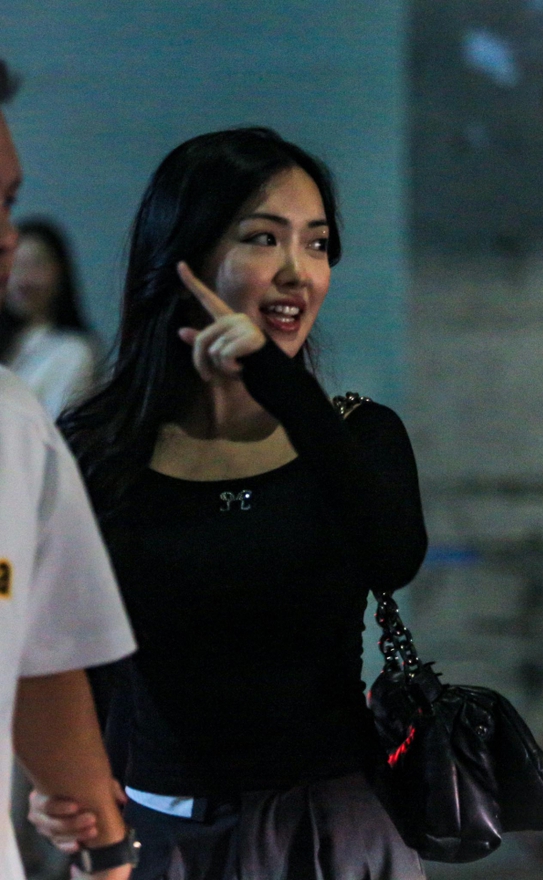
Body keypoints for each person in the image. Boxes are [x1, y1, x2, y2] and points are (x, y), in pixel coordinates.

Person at [31, 127, 429, 879]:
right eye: (263, 239)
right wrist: (66, 790)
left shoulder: (354, 434)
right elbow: (71, 652)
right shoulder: (98, 448)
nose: (298, 273)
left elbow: (393, 556)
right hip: (161, 839)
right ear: (183, 257)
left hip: (332, 833)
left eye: (317, 244)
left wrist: (279, 384)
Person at [0, 58, 138, 880]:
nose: (8, 241)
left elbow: (45, 660)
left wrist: (107, 848)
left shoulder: (17, 419)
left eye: (9, 203)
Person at [0, 217, 97, 418]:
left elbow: (55, 425)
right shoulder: (11, 344)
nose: (23, 279)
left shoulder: (74, 352)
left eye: (36, 264)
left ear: (60, 272)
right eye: (14, 265)